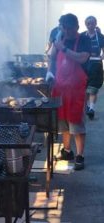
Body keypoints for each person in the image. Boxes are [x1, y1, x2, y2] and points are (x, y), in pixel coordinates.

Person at [46, 13, 91, 170]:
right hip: (60, 88)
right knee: (63, 122)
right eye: (63, 28)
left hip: (76, 90)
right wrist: (49, 72)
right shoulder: (60, 37)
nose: (66, 31)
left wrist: (63, 48)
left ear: (76, 27)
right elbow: (51, 56)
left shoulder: (84, 39)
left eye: (69, 28)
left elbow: (82, 58)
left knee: (76, 124)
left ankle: (80, 156)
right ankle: (67, 151)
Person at [82, 16, 104, 120]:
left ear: (96, 24)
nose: (91, 25)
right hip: (84, 65)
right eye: (88, 23)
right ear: (86, 24)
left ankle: (91, 109)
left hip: (96, 66)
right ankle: (87, 106)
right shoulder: (82, 36)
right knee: (85, 90)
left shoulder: (100, 36)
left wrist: (101, 57)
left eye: (92, 23)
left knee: (93, 89)